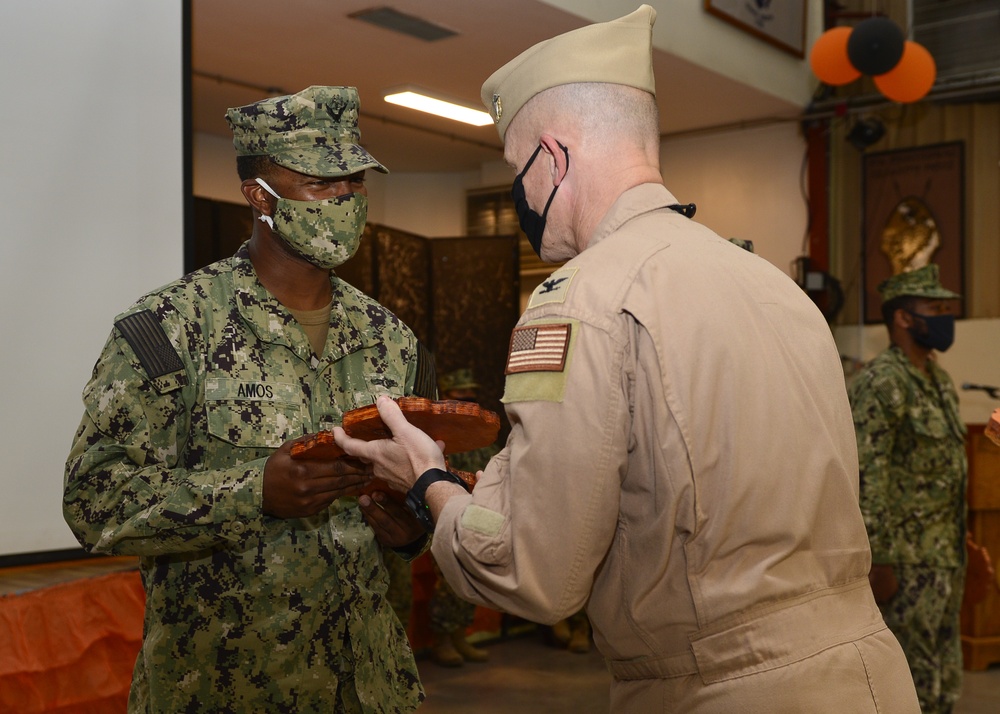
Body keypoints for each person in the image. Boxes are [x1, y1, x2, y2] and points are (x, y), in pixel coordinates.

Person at [333, 6, 920, 712]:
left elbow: (532, 571)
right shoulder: (775, 286)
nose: (519, 194)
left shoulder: (582, 298)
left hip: (722, 687)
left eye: (518, 171)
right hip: (869, 675)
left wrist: (428, 480)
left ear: (553, 159)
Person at [63, 86, 431, 713]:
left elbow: (422, 484)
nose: (343, 199)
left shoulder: (392, 340)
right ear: (259, 197)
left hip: (367, 685)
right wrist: (251, 491)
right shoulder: (170, 329)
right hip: (221, 687)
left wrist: (409, 529)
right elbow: (95, 500)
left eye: (355, 181)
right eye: (320, 182)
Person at [848, 264, 967, 714]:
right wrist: (878, 560)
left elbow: (944, 474)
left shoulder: (939, 381)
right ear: (903, 318)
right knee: (908, 689)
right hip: (906, 564)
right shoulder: (883, 382)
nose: (943, 317)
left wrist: (966, 541)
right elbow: (865, 476)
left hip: (944, 558)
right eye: (933, 308)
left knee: (943, 683)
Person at [425, 368, 496, 667]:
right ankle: (442, 639)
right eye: (460, 395)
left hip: (478, 515)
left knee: (471, 576)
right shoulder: (439, 435)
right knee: (449, 579)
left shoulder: (482, 433)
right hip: (442, 515)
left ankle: (459, 636)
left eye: (471, 395)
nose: (467, 401)